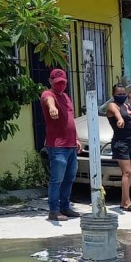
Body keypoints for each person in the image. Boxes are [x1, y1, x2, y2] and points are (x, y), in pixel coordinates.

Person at [40, 68, 81, 222]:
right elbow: (48, 101)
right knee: (56, 179)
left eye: (63, 83)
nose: (61, 85)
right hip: (57, 146)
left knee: (69, 178)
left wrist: (76, 139)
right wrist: (52, 108)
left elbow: (71, 120)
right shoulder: (48, 94)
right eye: (57, 83)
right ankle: (54, 210)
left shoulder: (66, 98)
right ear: (50, 82)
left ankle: (65, 207)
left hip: (71, 145)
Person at [107, 83, 131, 213]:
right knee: (126, 172)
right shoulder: (113, 105)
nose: (122, 96)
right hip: (121, 143)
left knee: (129, 173)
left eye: (124, 94)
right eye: (119, 94)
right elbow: (116, 113)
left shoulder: (127, 105)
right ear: (114, 95)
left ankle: (125, 200)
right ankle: (127, 203)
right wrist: (120, 119)